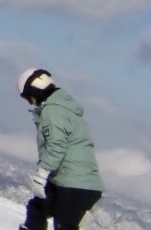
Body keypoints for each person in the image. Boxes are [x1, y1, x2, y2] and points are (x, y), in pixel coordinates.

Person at [16, 68, 104, 230]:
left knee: (62, 223)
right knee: (38, 208)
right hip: (72, 181)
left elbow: (57, 146)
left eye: (29, 98)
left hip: (75, 184)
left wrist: (41, 174)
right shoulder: (63, 108)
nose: (31, 102)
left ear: (35, 91)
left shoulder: (52, 111)